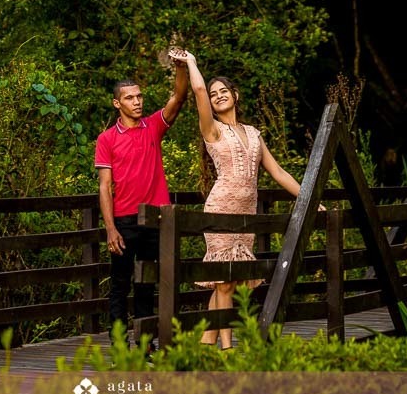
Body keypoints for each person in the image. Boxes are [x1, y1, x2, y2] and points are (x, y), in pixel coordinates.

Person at [181, 50, 314, 350]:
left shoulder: (253, 134)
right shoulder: (212, 129)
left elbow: (278, 172)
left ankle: (206, 343)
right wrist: (191, 62)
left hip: (246, 217)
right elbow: (198, 89)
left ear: (235, 95)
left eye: (223, 91)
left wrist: (307, 198)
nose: (218, 96)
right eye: (214, 94)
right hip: (220, 211)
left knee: (230, 282)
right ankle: (228, 349)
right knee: (225, 281)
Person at [94, 53, 189, 346]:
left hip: (155, 219)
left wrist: (181, 67)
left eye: (139, 96)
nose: (137, 102)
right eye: (129, 98)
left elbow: (179, 98)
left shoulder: (153, 127)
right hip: (123, 221)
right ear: (117, 103)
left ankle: (145, 344)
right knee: (120, 284)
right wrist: (110, 229)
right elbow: (105, 186)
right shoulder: (107, 139)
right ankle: (119, 345)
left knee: (147, 283)